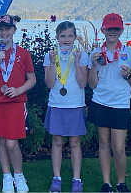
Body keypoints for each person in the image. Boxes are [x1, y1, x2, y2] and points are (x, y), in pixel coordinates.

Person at [88, 13, 131, 193]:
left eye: (116, 29)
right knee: (103, 143)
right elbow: (92, 84)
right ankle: (106, 183)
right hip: (101, 101)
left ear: (121, 31)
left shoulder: (129, 52)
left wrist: (127, 75)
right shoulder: (95, 53)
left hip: (120, 103)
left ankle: (120, 182)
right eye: (109, 28)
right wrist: (94, 65)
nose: (112, 32)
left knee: (118, 148)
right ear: (103, 29)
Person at [0, 14, 36, 193]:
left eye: (7, 29)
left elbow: (32, 79)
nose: (4, 32)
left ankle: (19, 175)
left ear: (14, 30)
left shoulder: (23, 53)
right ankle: (7, 176)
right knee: (1, 142)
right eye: (0, 29)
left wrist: (19, 90)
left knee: (12, 143)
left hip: (16, 102)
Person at [43, 21, 88, 192]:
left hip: (75, 104)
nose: (66, 39)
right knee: (57, 141)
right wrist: (53, 63)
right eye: (63, 36)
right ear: (57, 38)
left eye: (70, 36)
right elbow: (49, 83)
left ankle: (77, 179)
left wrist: (76, 64)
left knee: (75, 142)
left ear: (75, 37)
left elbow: (83, 83)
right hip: (57, 103)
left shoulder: (81, 55)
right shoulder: (51, 55)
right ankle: (57, 177)